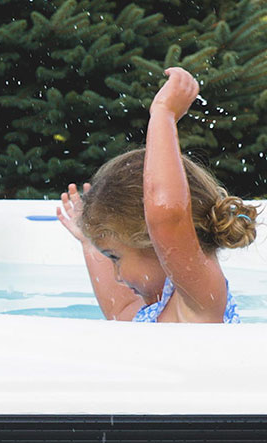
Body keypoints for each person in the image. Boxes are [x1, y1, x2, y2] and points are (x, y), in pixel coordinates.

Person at [57, 67, 258, 323]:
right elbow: (120, 313)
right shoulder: (161, 309)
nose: (116, 275)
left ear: (153, 239)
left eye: (115, 258)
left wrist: (164, 114)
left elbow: (167, 215)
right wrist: (90, 244)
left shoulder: (201, 297)